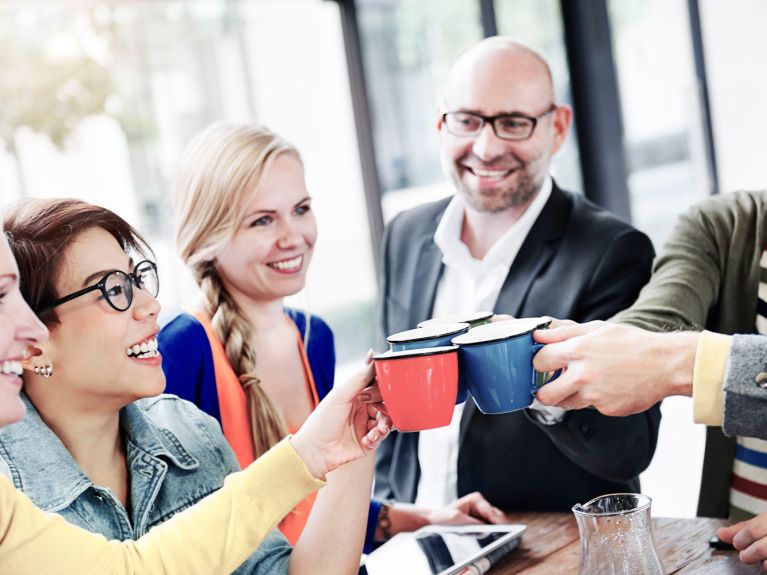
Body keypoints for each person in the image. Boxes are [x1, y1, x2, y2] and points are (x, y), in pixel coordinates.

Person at [158, 122, 503, 550]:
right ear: (208, 236)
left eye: (301, 209)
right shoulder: (180, 348)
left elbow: (317, 502)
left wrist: (426, 519)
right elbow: (180, 533)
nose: (293, 238)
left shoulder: (312, 338)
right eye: (262, 220)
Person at [0, 198, 388, 575]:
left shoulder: (186, 429)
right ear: (33, 343)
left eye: (136, 279)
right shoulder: (8, 488)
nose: (150, 304)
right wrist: (306, 453)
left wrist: (353, 441)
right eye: (113, 290)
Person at [375, 35, 661, 528]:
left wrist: (546, 387)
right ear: (440, 123)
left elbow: (628, 450)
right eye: (467, 121)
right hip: (417, 544)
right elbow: (394, 412)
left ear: (557, 129)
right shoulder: (405, 233)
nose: (486, 148)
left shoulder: (611, 251)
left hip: (544, 549)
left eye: (512, 123)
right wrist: (389, 515)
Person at [531, 190, 767, 568]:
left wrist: (679, 360)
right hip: (740, 551)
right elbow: (654, 320)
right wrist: (569, 352)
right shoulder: (727, 223)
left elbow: (657, 349)